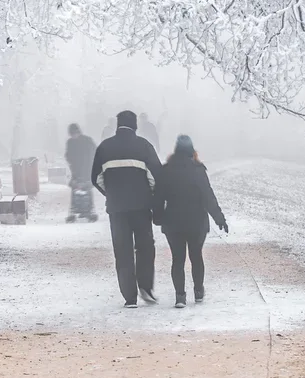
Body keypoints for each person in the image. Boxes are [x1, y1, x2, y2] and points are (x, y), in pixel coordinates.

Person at [91, 110, 164, 308]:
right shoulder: (144, 146)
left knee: (122, 250)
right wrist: (150, 197)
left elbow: (96, 178)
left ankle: (129, 297)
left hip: (117, 209)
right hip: (141, 207)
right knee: (145, 247)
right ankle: (146, 287)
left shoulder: (104, 147)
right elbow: (156, 177)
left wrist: (111, 193)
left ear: (117, 125)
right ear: (135, 125)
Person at [154, 135, 227, 308]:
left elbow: (158, 197)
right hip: (197, 222)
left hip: (173, 222)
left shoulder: (166, 170)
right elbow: (208, 197)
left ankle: (180, 296)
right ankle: (199, 291)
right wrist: (219, 218)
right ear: (192, 151)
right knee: (196, 256)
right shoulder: (198, 170)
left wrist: (157, 217)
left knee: (177, 259)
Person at [64, 123, 97, 222]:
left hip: (87, 169)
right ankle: (74, 210)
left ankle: (89, 210)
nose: (73, 136)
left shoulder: (87, 141)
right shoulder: (70, 142)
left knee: (87, 188)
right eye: (72, 134)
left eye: (74, 133)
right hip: (76, 170)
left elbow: (93, 153)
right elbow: (68, 155)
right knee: (75, 189)